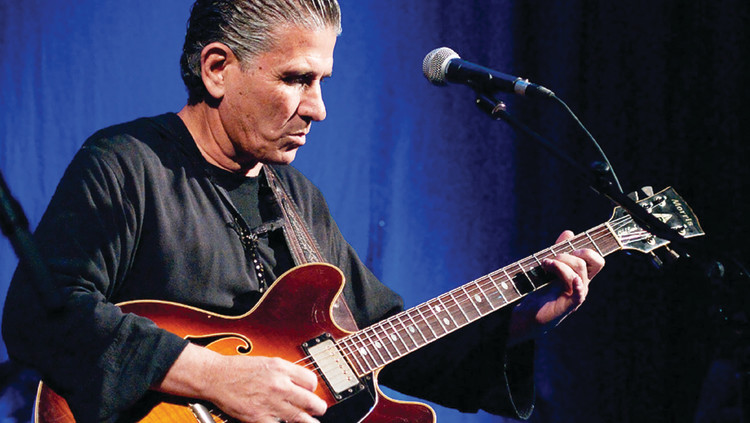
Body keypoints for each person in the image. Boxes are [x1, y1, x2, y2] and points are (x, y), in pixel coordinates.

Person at [2, 0, 605, 422]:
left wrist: (523, 319)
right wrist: (214, 378)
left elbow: (385, 338)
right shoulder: (127, 164)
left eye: (322, 81)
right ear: (217, 69)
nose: (317, 108)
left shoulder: (298, 199)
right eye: (297, 79)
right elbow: (42, 313)